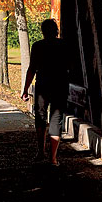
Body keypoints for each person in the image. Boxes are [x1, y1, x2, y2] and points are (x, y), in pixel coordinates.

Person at [21, 19, 69, 166]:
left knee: (40, 117)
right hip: (60, 86)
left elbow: (32, 69)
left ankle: (41, 151)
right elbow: (70, 66)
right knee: (56, 119)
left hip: (43, 86)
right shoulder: (63, 45)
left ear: (42, 31)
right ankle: (53, 158)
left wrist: (25, 89)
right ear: (56, 30)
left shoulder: (37, 46)